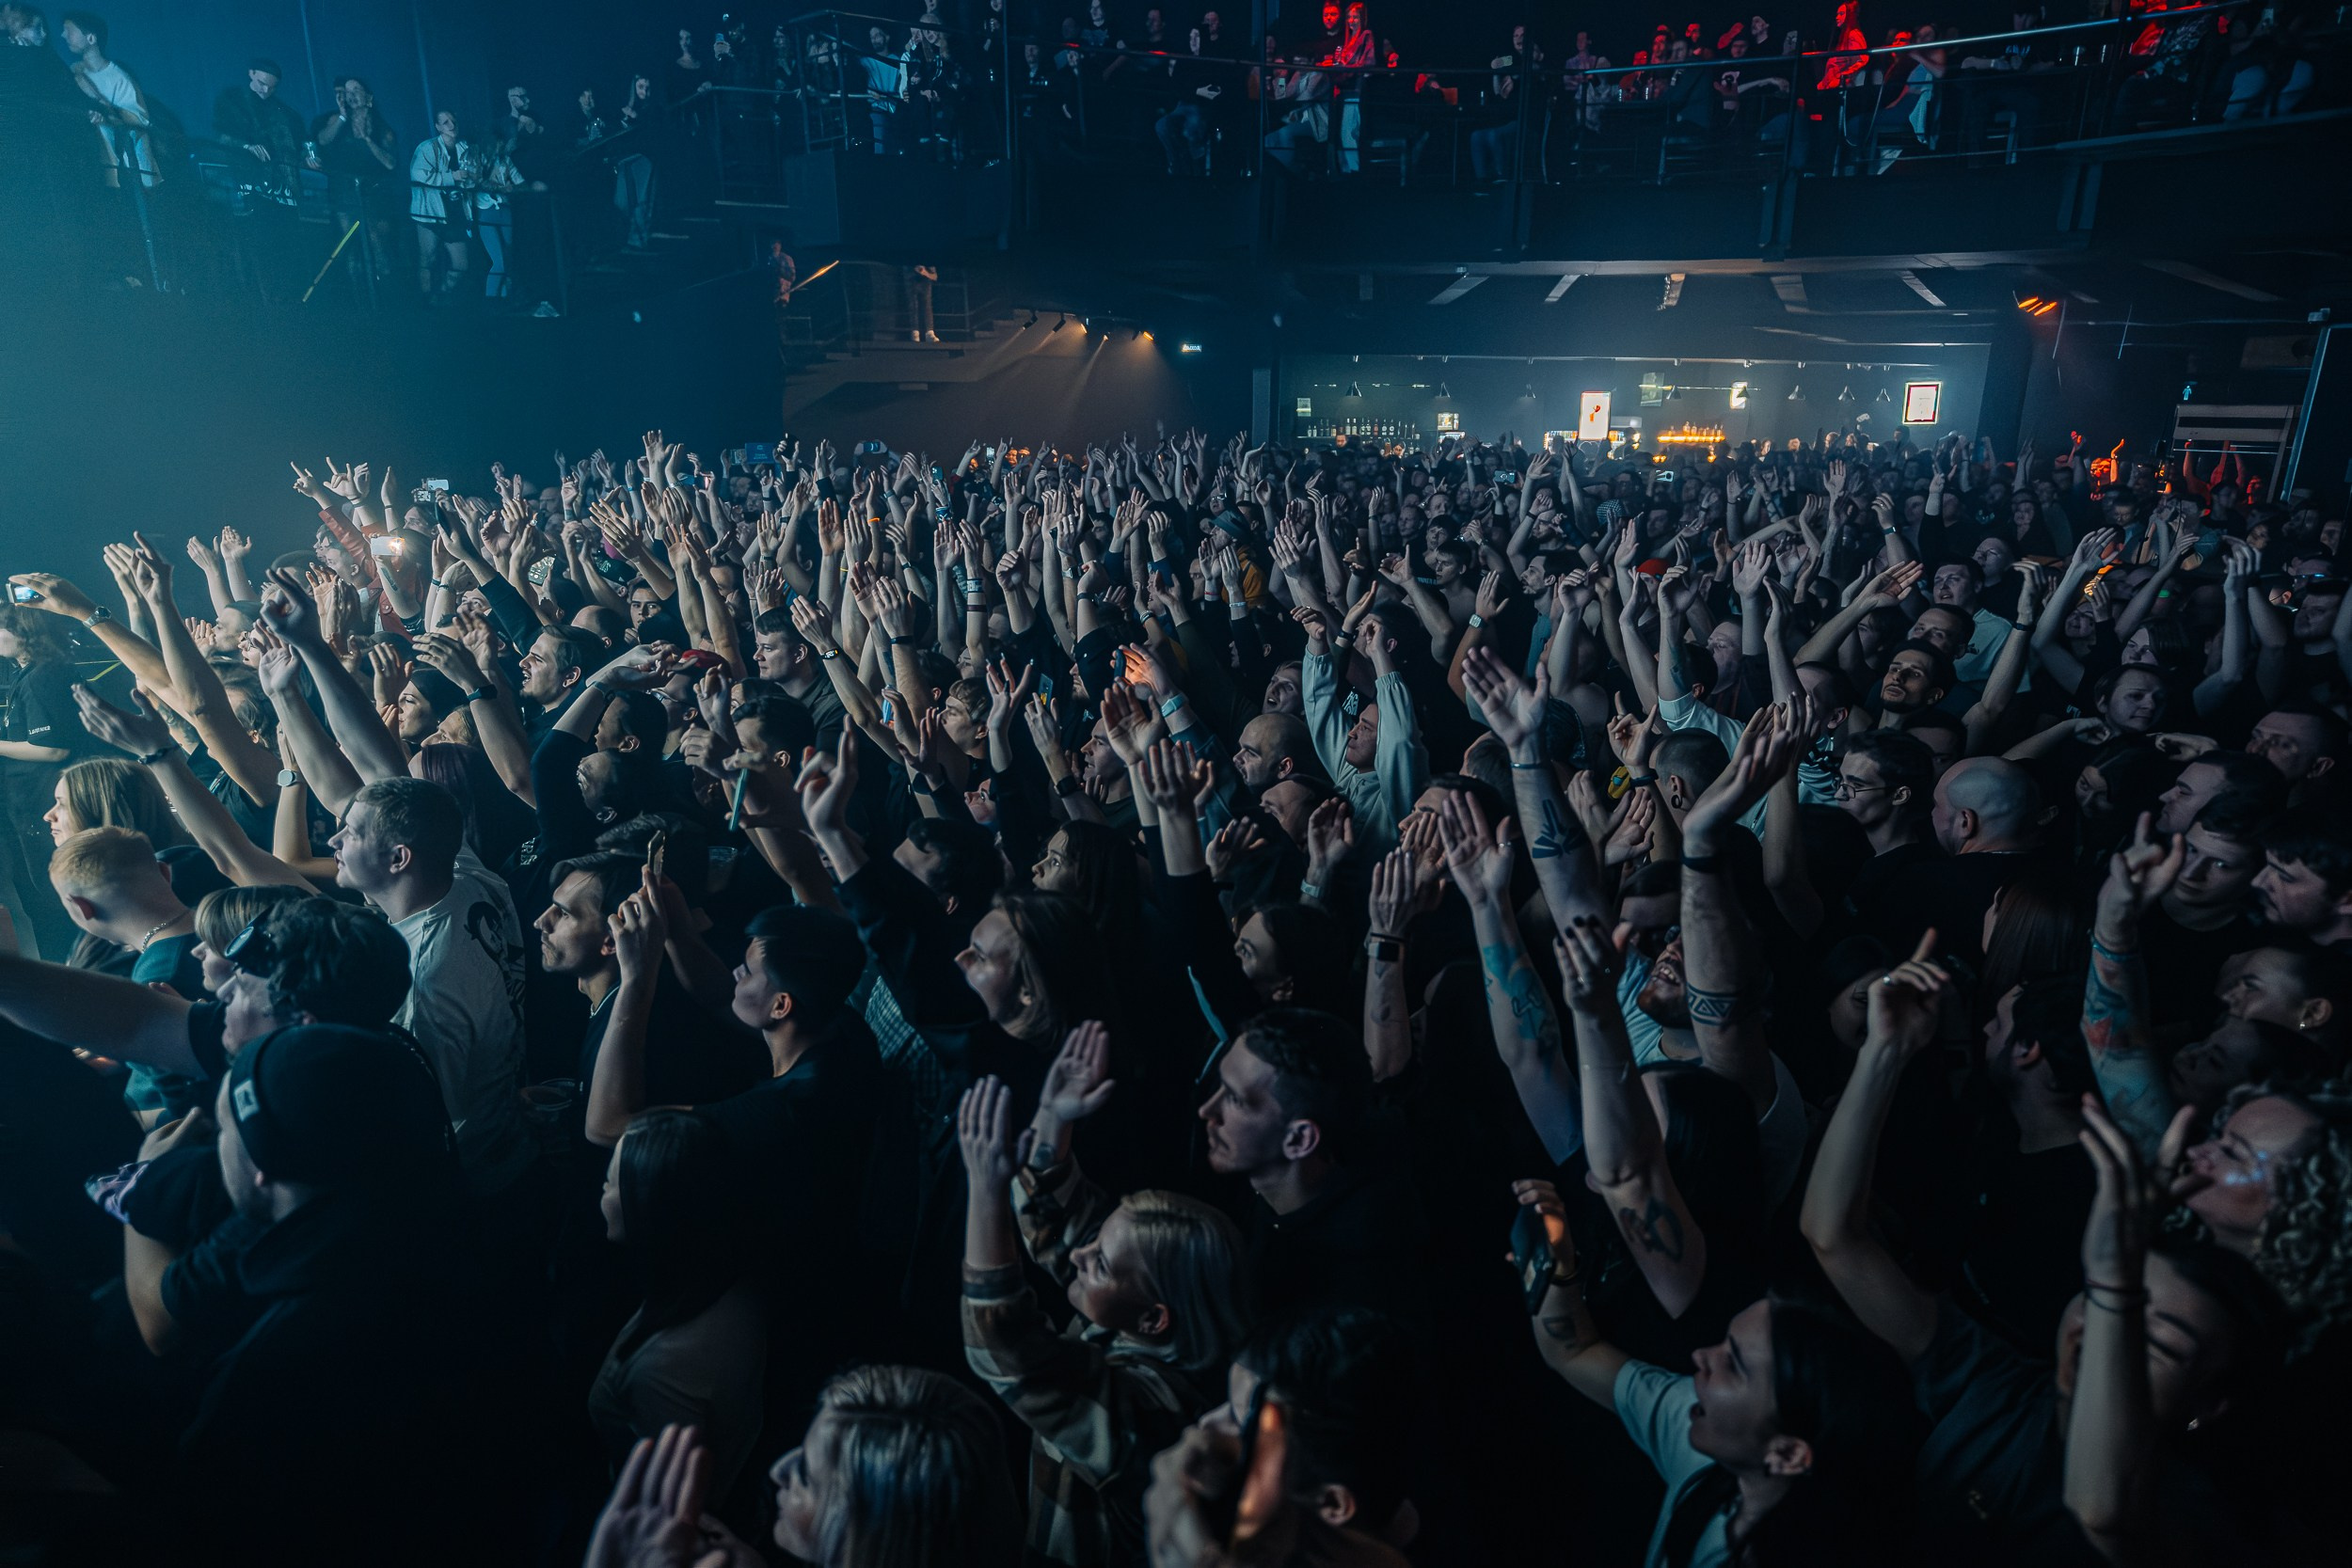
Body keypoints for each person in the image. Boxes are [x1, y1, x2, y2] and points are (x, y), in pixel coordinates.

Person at [959, 1030, 1252, 1567]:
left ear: (1153, 1318)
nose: (1078, 1256)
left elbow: (1007, 1349)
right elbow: (1062, 1222)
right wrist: (1053, 1115)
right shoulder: (1142, 1321)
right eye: (1096, 1243)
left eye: (1100, 1264)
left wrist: (985, 1189)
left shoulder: (1154, 1415)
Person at [409, 108, 474, 297]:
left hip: (455, 213)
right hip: (429, 213)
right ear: (438, 127)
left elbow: (471, 176)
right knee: (427, 257)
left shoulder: (465, 147)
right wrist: (451, 177)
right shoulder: (426, 148)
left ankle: (443, 293)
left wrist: (470, 180)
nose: (451, 125)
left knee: (461, 264)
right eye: (446, 122)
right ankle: (427, 299)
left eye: (453, 121)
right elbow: (417, 174)